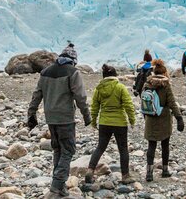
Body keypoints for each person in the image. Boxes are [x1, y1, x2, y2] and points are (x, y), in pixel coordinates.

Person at [27, 43, 92, 198]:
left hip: (51, 118)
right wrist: (87, 115)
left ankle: (59, 186)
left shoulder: (45, 72)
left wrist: (32, 114)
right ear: (73, 60)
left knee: (58, 149)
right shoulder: (72, 72)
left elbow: (37, 95)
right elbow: (80, 96)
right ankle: (56, 186)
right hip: (65, 119)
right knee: (68, 150)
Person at [86, 64, 137, 184]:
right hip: (120, 123)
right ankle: (125, 176)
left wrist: (93, 121)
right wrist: (132, 120)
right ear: (115, 76)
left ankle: (90, 170)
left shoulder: (99, 89)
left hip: (104, 123)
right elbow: (128, 105)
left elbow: (94, 107)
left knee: (100, 147)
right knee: (123, 149)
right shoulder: (120, 87)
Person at [141, 59, 184, 182]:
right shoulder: (166, 86)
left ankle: (149, 173)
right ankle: (165, 170)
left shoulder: (147, 84)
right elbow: (172, 103)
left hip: (150, 118)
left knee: (151, 145)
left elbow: (143, 101)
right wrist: (179, 118)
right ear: (164, 73)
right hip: (164, 118)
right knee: (165, 145)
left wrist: (146, 115)